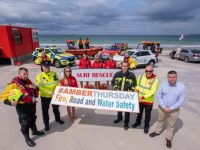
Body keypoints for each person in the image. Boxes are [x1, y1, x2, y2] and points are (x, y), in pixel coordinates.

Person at [2, 67, 44, 147]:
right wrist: (11, 103)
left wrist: (36, 88)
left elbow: (35, 89)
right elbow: (3, 97)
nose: (26, 75)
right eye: (24, 74)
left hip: (31, 104)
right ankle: (27, 139)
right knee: (25, 123)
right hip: (22, 107)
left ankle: (34, 131)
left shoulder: (28, 81)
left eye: (27, 74)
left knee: (33, 118)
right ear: (19, 74)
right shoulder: (13, 84)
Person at [149, 70, 186, 148]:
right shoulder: (163, 84)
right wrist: (163, 106)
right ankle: (157, 131)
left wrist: (171, 108)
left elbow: (181, 101)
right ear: (167, 77)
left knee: (171, 125)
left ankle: (169, 138)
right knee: (160, 120)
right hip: (162, 108)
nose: (172, 79)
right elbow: (159, 96)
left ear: (176, 77)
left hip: (174, 110)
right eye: (170, 77)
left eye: (173, 77)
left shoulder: (182, 87)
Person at [36, 61, 64, 131]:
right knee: (45, 111)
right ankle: (46, 124)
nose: (47, 68)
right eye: (45, 67)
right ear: (42, 67)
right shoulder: (39, 76)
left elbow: (58, 82)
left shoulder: (54, 74)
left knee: (56, 108)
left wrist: (59, 87)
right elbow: (41, 87)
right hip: (45, 96)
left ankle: (58, 119)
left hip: (54, 95)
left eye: (48, 66)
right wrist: (49, 92)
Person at [132, 66, 159, 134]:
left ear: (153, 71)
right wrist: (136, 92)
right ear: (145, 71)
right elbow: (137, 86)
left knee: (147, 115)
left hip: (148, 101)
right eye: (147, 71)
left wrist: (142, 98)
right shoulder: (140, 77)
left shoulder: (155, 80)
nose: (148, 72)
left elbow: (152, 91)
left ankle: (146, 126)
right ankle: (138, 122)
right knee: (139, 112)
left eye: (150, 71)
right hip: (139, 99)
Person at [111, 61, 137, 130]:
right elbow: (113, 82)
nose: (124, 67)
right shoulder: (117, 74)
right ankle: (119, 118)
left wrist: (131, 91)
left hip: (127, 96)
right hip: (119, 94)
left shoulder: (131, 75)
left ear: (128, 67)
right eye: (123, 66)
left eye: (126, 66)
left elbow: (134, 84)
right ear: (121, 66)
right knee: (119, 107)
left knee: (127, 110)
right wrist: (116, 88)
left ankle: (126, 123)